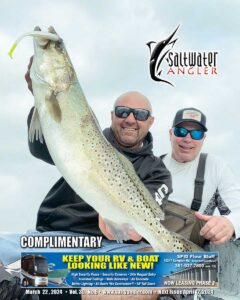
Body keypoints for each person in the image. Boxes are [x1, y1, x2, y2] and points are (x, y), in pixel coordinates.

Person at [161, 107, 240, 245]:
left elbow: (238, 211)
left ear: (203, 138)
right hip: (143, 253)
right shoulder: (152, 166)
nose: (187, 139)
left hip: (186, 258)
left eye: (196, 134)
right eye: (181, 131)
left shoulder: (216, 167)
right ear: (170, 134)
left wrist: (230, 223)